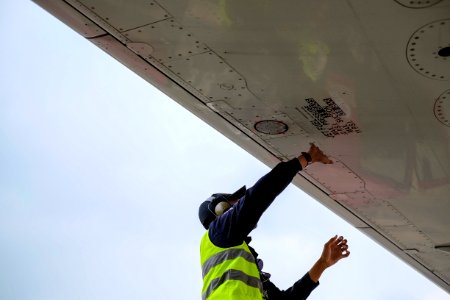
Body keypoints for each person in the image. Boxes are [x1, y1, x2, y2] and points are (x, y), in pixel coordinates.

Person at [198, 143, 350, 300]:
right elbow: (258, 196)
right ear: (218, 211)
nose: (239, 205)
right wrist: (305, 159)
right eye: (234, 203)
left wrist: (322, 263)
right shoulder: (218, 233)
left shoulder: (241, 264)